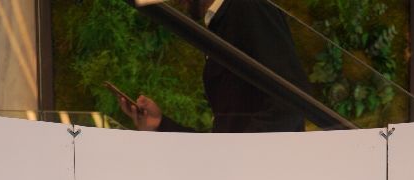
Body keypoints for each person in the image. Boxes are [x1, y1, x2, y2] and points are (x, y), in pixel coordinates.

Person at [121, 0, 310, 133]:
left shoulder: (247, 7)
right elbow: (220, 141)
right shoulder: (220, 23)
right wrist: (160, 124)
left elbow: (291, 104)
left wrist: (240, 157)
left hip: (260, 171)